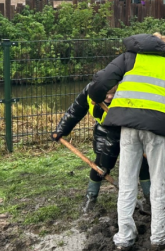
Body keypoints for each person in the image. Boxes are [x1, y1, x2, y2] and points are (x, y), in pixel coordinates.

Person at [88, 33, 165, 250]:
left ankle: (124, 238)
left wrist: (97, 94)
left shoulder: (129, 58)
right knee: (158, 180)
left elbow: (102, 81)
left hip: (127, 124)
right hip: (156, 126)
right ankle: (159, 236)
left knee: (127, 180)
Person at [52, 82, 152, 214]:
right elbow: (75, 111)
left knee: (143, 163)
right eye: (107, 93)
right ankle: (91, 197)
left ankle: (150, 198)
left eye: (113, 93)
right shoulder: (90, 91)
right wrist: (61, 129)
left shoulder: (127, 90)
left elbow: (117, 135)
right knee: (99, 165)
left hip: (129, 130)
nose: (110, 97)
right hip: (103, 131)